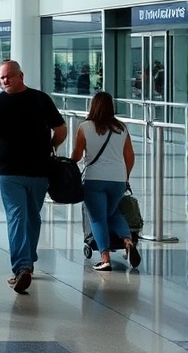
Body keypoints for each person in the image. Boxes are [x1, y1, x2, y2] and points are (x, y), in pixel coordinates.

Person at [0, 60, 67, 294]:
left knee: (25, 216)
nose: (4, 81)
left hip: (25, 171)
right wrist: (51, 147)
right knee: (25, 216)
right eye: (2, 78)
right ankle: (25, 264)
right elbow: (61, 130)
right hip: (23, 172)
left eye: (9, 77)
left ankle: (24, 265)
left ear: (21, 75)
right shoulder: (35, 100)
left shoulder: (5, 103)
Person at [70, 92, 141, 271]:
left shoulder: (84, 127)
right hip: (117, 180)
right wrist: (125, 177)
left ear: (92, 106)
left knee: (98, 219)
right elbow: (130, 157)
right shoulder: (121, 128)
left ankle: (105, 258)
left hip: (94, 180)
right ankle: (128, 241)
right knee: (113, 213)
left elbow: (77, 156)